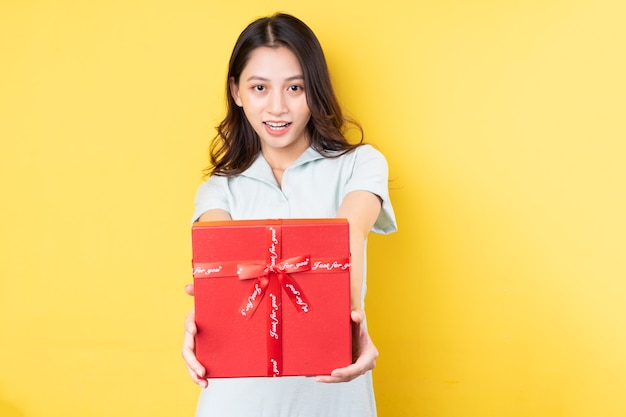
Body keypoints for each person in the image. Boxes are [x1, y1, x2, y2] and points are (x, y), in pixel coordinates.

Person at [182, 12, 397, 416]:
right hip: (236, 402)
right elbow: (219, 272)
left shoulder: (361, 164)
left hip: (334, 396)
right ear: (237, 92)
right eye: (259, 87)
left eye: (295, 87)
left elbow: (348, 236)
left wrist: (350, 326)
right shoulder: (219, 190)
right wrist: (199, 322)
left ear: (315, 90)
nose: (277, 107)